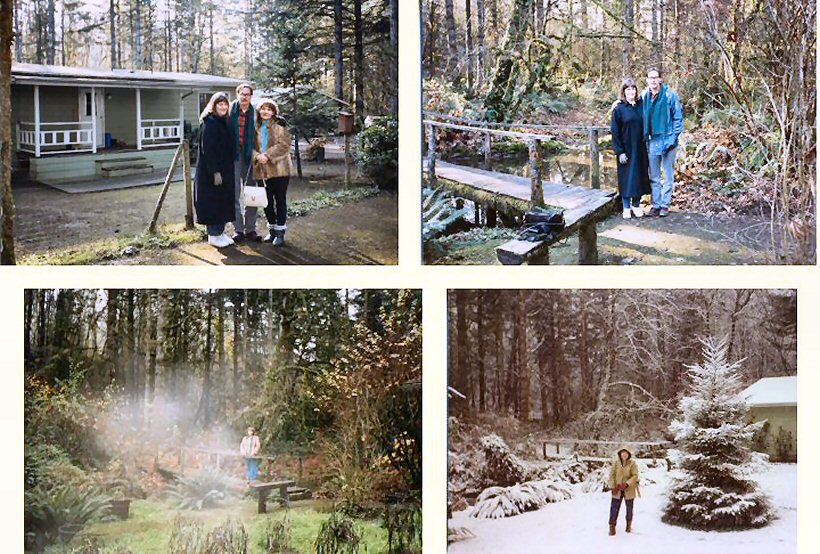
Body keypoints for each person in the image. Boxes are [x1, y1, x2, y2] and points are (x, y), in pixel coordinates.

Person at [195, 92, 236, 248]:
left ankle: (220, 232)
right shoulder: (209, 123)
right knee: (213, 202)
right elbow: (208, 151)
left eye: (225, 104)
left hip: (225, 169)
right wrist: (215, 172)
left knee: (223, 202)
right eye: (220, 104)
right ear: (214, 106)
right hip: (212, 172)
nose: (223, 107)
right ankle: (213, 235)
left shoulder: (224, 121)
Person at [642, 67, 684, 217]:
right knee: (654, 175)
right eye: (650, 78)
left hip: (668, 139)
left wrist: (672, 139)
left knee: (668, 174)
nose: (653, 80)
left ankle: (665, 205)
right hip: (652, 140)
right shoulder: (644, 96)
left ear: (660, 79)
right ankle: (656, 204)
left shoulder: (670, 95)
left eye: (655, 77)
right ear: (647, 80)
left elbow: (678, 119)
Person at [252, 98, 293, 245]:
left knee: (280, 200)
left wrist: (267, 155)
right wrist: (257, 156)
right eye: (263, 108)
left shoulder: (281, 125)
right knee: (266, 202)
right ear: (259, 110)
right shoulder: (255, 126)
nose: (266, 111)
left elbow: (285, 145)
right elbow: (248, 147)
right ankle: (272, 230)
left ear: (274, 112)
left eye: (269, 109)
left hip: (280, 169)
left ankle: (281, 233)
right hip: (261, 171)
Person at [611, 77, 650, 219]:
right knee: (627, 178)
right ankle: (626, 207)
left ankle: (636, 205)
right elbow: (615, 132)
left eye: (633, 89)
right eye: (628, 89)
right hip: (626, 149)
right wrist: (619, 151)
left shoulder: (641, 105)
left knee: (639, 176)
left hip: (640, 148)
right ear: (623, 92)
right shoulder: (619, 108)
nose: (631, 92)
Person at [230, 83, 259, 242]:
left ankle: (250, 229)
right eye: (242, 93)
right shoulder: (229, 111)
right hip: (234, 156)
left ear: (251, 96)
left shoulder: (256, 113)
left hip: (250, 156)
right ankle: (238, 229)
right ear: (237, 94)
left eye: (247, 94)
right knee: (234, 193)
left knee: (252, 194)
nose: (244, 96)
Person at [608, 447, 639, 536]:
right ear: (620, 454)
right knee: (614, 508)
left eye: (626, 453)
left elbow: (635, 475)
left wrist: (627, 484)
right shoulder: (616, 463)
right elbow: (612, 475)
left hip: (628, 489)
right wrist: (613, 486)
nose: (624, 455)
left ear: (629, 454)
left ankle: (628, 525)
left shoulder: (632, 464)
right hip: (617, 489)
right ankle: (612, 526)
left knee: (629, 508)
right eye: (622, 453)